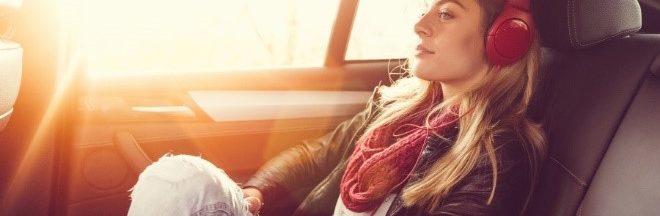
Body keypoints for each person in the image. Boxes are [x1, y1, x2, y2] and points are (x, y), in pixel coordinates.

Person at [128, 0, 546, 215]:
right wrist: (256, 194)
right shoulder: (396, 107)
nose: (421, 25)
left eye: (447, 14)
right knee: (175, 179)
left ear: (503, 38)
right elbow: (318, 155)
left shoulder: (499, 152)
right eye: (426, 10)